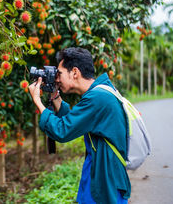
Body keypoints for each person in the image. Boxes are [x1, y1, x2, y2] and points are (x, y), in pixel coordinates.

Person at [28, 47, 130, 204]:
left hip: (105, 180)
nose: (57, 79)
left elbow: (62, 130)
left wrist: (38, 102)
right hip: (101, 172)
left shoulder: (97, 98)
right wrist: (55, 96)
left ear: (74, 72)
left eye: (60, 74)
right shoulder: (100, 92)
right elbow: (73, 120)